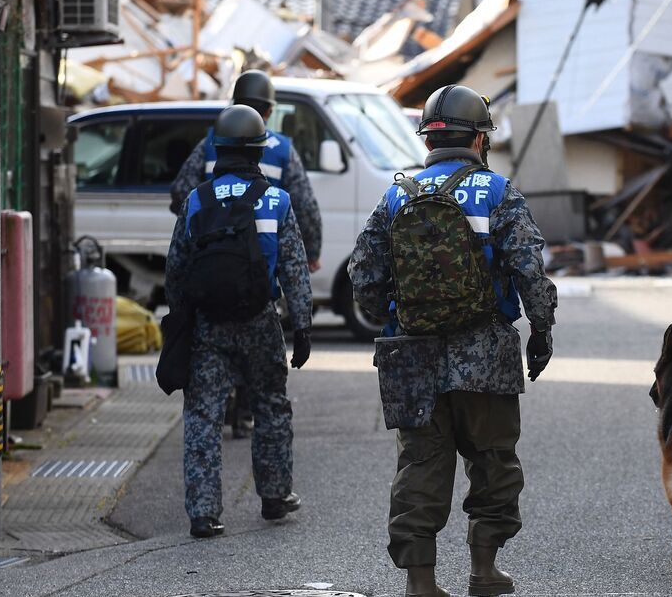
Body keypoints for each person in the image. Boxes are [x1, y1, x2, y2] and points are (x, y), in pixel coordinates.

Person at [348, 84, 557, 597]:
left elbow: (363, 277)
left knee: (421, 465)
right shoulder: (497, 191)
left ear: (428, 142)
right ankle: (484, 571)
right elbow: (529, 268)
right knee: (492, 462)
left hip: (413, 356)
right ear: (479, 139)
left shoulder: (397, 194)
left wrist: (395, 319)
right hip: (484, 353)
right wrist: (541, 329)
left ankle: (421, 582)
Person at [164, 104, 313, 539]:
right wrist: (301, 325)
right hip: (258, 322)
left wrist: (182, 319)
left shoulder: (197, 200)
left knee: (203, 414)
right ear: (259, 150)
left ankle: (204, 512)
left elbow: (176, 267)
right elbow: (294, 268)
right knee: (270, 405)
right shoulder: (277, 201)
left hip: (208, 326)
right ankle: (274, 495)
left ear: (221, 150)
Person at [171, 69, 322, 439]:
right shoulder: (282, 149)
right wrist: (311, 251)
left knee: (205, 395)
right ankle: (245, 419)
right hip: (260, 271)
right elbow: (304, 204)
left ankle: (220, 415)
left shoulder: (210, 143)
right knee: (265, 378)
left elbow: (179, 193)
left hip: (210, 278)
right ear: (268, 112)